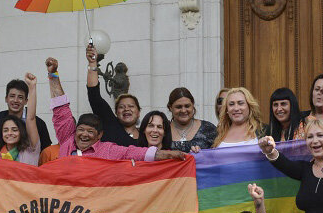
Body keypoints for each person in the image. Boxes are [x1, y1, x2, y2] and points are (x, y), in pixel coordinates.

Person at [44, 55, 184, 162]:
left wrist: (169, 154)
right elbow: (61, 111)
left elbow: (134, 153)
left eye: (90, 132)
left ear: (100, 136)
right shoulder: (68, 139)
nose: (84, 134)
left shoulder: (107, 149)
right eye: (81, 130)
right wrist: (53, 74)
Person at [85, 43, 141, 144]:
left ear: (139, 112)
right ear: (116, 112)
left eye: (131, 106)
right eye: (121, 107)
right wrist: (92, 64)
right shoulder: (110, 124)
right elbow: (94, 96)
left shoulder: (147, 135)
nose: (126, 109)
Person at [0, 73, 42, 165]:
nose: (9, 133)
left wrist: (32, 87)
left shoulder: (30, 151)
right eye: (5, 130)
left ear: (21, 132)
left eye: (14, 130)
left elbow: (31, 118)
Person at [0, 77, 53, 150]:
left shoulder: (39, 124)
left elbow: (46, 151)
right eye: (12, 96)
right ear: (6, 99)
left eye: (20, 97)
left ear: (26, 101)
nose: (16, 100)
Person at [167, 87, 218, 152]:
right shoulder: (162, 130)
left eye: (187, 106)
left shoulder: (208, 129)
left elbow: (218, 156)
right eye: (178, 107)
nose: (183, 110)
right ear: (170, 108)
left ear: (193, 105)